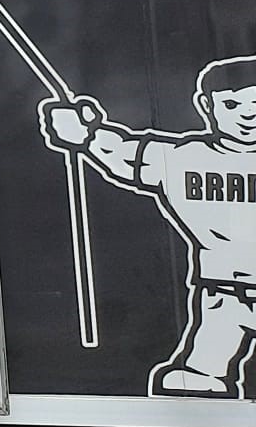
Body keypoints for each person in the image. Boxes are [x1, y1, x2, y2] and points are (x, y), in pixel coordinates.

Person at [42, 55, 256, 397]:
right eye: (232, 104)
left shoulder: (180, 160)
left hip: (222, 290)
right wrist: (85, 135)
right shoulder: (183, 158)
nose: (248, 114)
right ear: (207, 106)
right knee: (205, 367)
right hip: (224, 294)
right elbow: (126, 154)